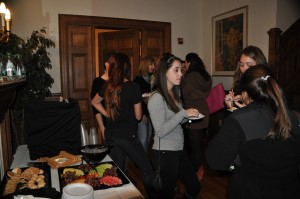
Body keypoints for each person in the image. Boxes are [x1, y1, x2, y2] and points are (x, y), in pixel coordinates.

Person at [206, 64, 300, 199]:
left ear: (244, 93)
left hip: (250, 192)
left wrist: (235, 166)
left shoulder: (238, 120)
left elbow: (215, 160)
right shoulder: (294, 117)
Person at [91, 52, 154, 193]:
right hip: (128, 136)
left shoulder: (107, 86)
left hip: (111, 136)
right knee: (147, 169)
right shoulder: (133, 87)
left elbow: (94, 102)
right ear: (127, 68)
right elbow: (138, 117)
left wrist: (107, 113)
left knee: (116, 173)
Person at [148, 54, 201, 198]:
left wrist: (189, 117)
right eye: (176, 70)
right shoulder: (156, 97)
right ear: (164, 72)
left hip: (178, 149)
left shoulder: (173, 93)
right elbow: (160, 131)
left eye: (181, 70)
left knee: (194, 186)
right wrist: (183, 114)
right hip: (164, 152)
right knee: (166, 194)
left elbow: (176, 121)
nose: (180, 74)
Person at [180, 52, 212, 180]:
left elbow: (186, 96)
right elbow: (205, 92)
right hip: (204, 112)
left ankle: (194, 172)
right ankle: (199, 169)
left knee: (194, 147)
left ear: (189, 62)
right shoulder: (205, 75)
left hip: (193, 114)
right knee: (199, 145)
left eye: (186, 63)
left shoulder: (189, 78)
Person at [90, 51, 115, 141]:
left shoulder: (118, 81)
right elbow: (95, 107)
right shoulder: (98, 82)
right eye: (113, 63)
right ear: (106, 64)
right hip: (106, 122)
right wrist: (102, 127)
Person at [133, 56, 156, 151]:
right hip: (142, 114)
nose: (153, 66)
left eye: (153, 64)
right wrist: (142, 115)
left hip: (151, 113)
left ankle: (142, 160)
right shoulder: (138, 80)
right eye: (151, 64)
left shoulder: (152, 78)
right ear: (145, 65)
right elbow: (136, 100)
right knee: (143, 138)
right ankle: (141, 163)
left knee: (148, 137)